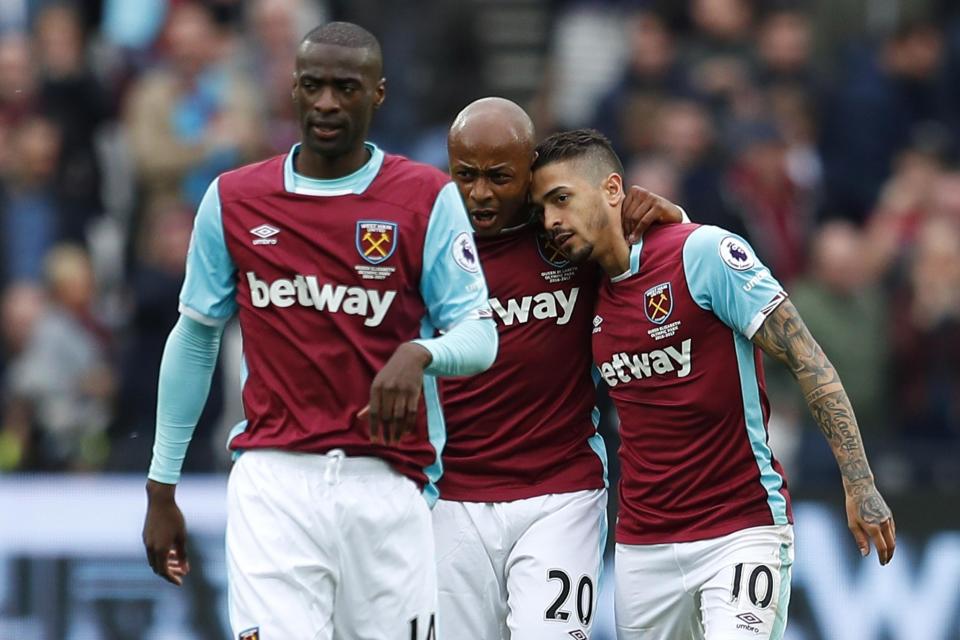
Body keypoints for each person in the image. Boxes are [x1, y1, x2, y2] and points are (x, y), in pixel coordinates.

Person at [141, 23, 497, 640]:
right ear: (293, 90)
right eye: (313, 86)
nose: (327, 102)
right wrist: (160, 486)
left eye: (346, 87)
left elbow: (480, 334)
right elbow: (195, 338)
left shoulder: (425, 198)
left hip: (387, 484)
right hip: (273, 482)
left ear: (378, 94)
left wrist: (419, 353)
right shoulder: (235, 199)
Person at [529, 129, 896, 640]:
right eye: (542, 207)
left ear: (613, 188)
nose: (551, 220)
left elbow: (809, 359)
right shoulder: (580, 288)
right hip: (642, 548)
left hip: (740, 532)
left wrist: (860, 483)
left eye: (561, 199)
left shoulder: (702, 252)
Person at [436, 97, 685, 639]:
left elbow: (658, 272)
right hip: (450, 498)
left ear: (529, 174)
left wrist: (670, 218)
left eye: (499, 177)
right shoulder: (428, 247)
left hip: (561, 495)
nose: (480, 192)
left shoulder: (567, 239)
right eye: (466, 175)